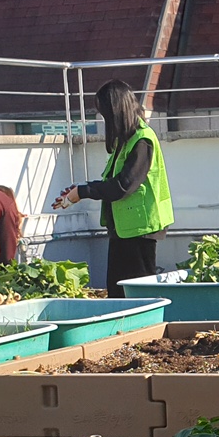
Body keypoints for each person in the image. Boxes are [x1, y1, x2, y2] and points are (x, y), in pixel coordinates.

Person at [53, 80, 175, 296]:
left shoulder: (142, 140)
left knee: (137, 291)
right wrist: (79, 190)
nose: (105, 120)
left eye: (105, 114)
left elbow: (122, 186)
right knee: (119, 289)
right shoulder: (128, 140)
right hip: (126, 227)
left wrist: (83, 192)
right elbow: (114, 182)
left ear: (116, 111)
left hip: (141, 228)